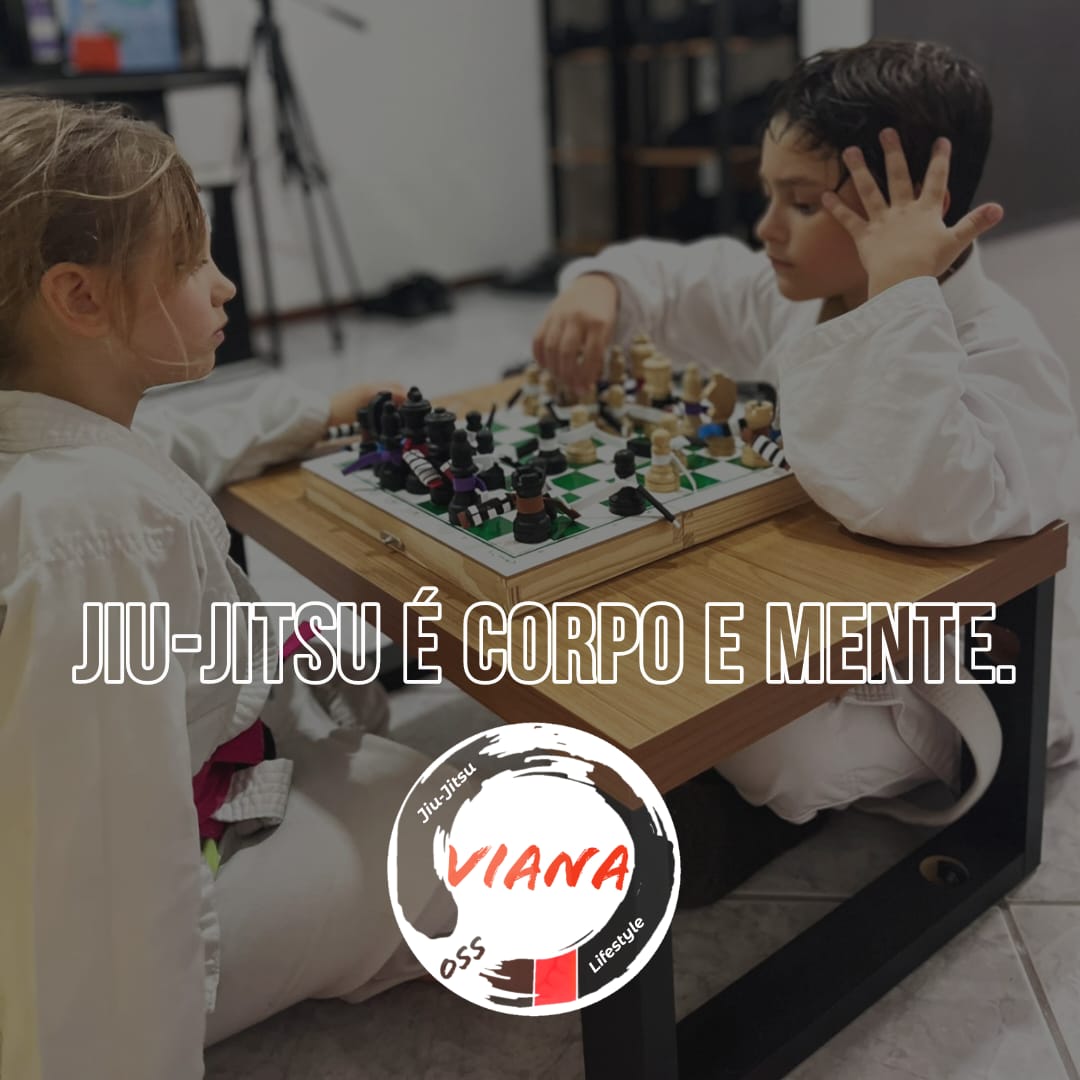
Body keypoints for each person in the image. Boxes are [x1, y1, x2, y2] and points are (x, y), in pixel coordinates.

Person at [534, 39, 1080, 903]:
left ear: (915, 215)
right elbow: (683, 278)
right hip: (821, 619)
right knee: (634, 639)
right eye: (768, 195)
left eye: (798, 203)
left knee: (774, 758)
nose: (766, 229)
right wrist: (599, 283)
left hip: (939, 671)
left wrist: (901, 300)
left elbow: (911, 495)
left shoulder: (1005, 353)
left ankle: (759, 811)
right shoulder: (801, 293)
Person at [0, 96, 460, 1080]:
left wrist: (315, 413)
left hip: (167, 813)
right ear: (80, 298)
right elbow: (107, 892)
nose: (226, 285)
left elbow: (172, 442)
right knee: (460, 822)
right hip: (92, 966)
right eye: (190, 261)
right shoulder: (92, 533)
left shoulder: (51, 447)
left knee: (356, 724)